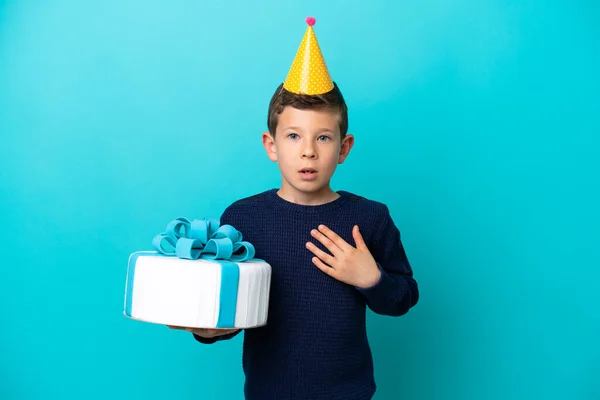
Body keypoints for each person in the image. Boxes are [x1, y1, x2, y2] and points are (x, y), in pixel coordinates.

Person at [169, 17, 419, 400]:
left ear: (344, 147)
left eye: (323, 137)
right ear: (271, 145)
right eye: (293, 136)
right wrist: (207, 328)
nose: (308, 150)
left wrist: (371, 278)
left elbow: (402, 299)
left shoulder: (370, 219)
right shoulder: (243, 219)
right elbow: (232, 311)